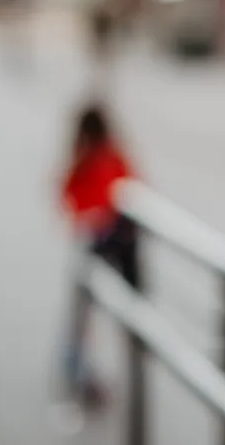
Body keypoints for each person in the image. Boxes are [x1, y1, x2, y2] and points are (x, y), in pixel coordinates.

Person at [57, 103, 137, 409]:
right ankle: (87, 372)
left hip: (97, 242)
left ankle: (80, 370)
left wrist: (89, 216)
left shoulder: (86, 157)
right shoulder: (110, 155)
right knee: (106, 312)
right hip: (116, 244)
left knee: (85, 312)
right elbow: (131, 189)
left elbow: (68, 197)